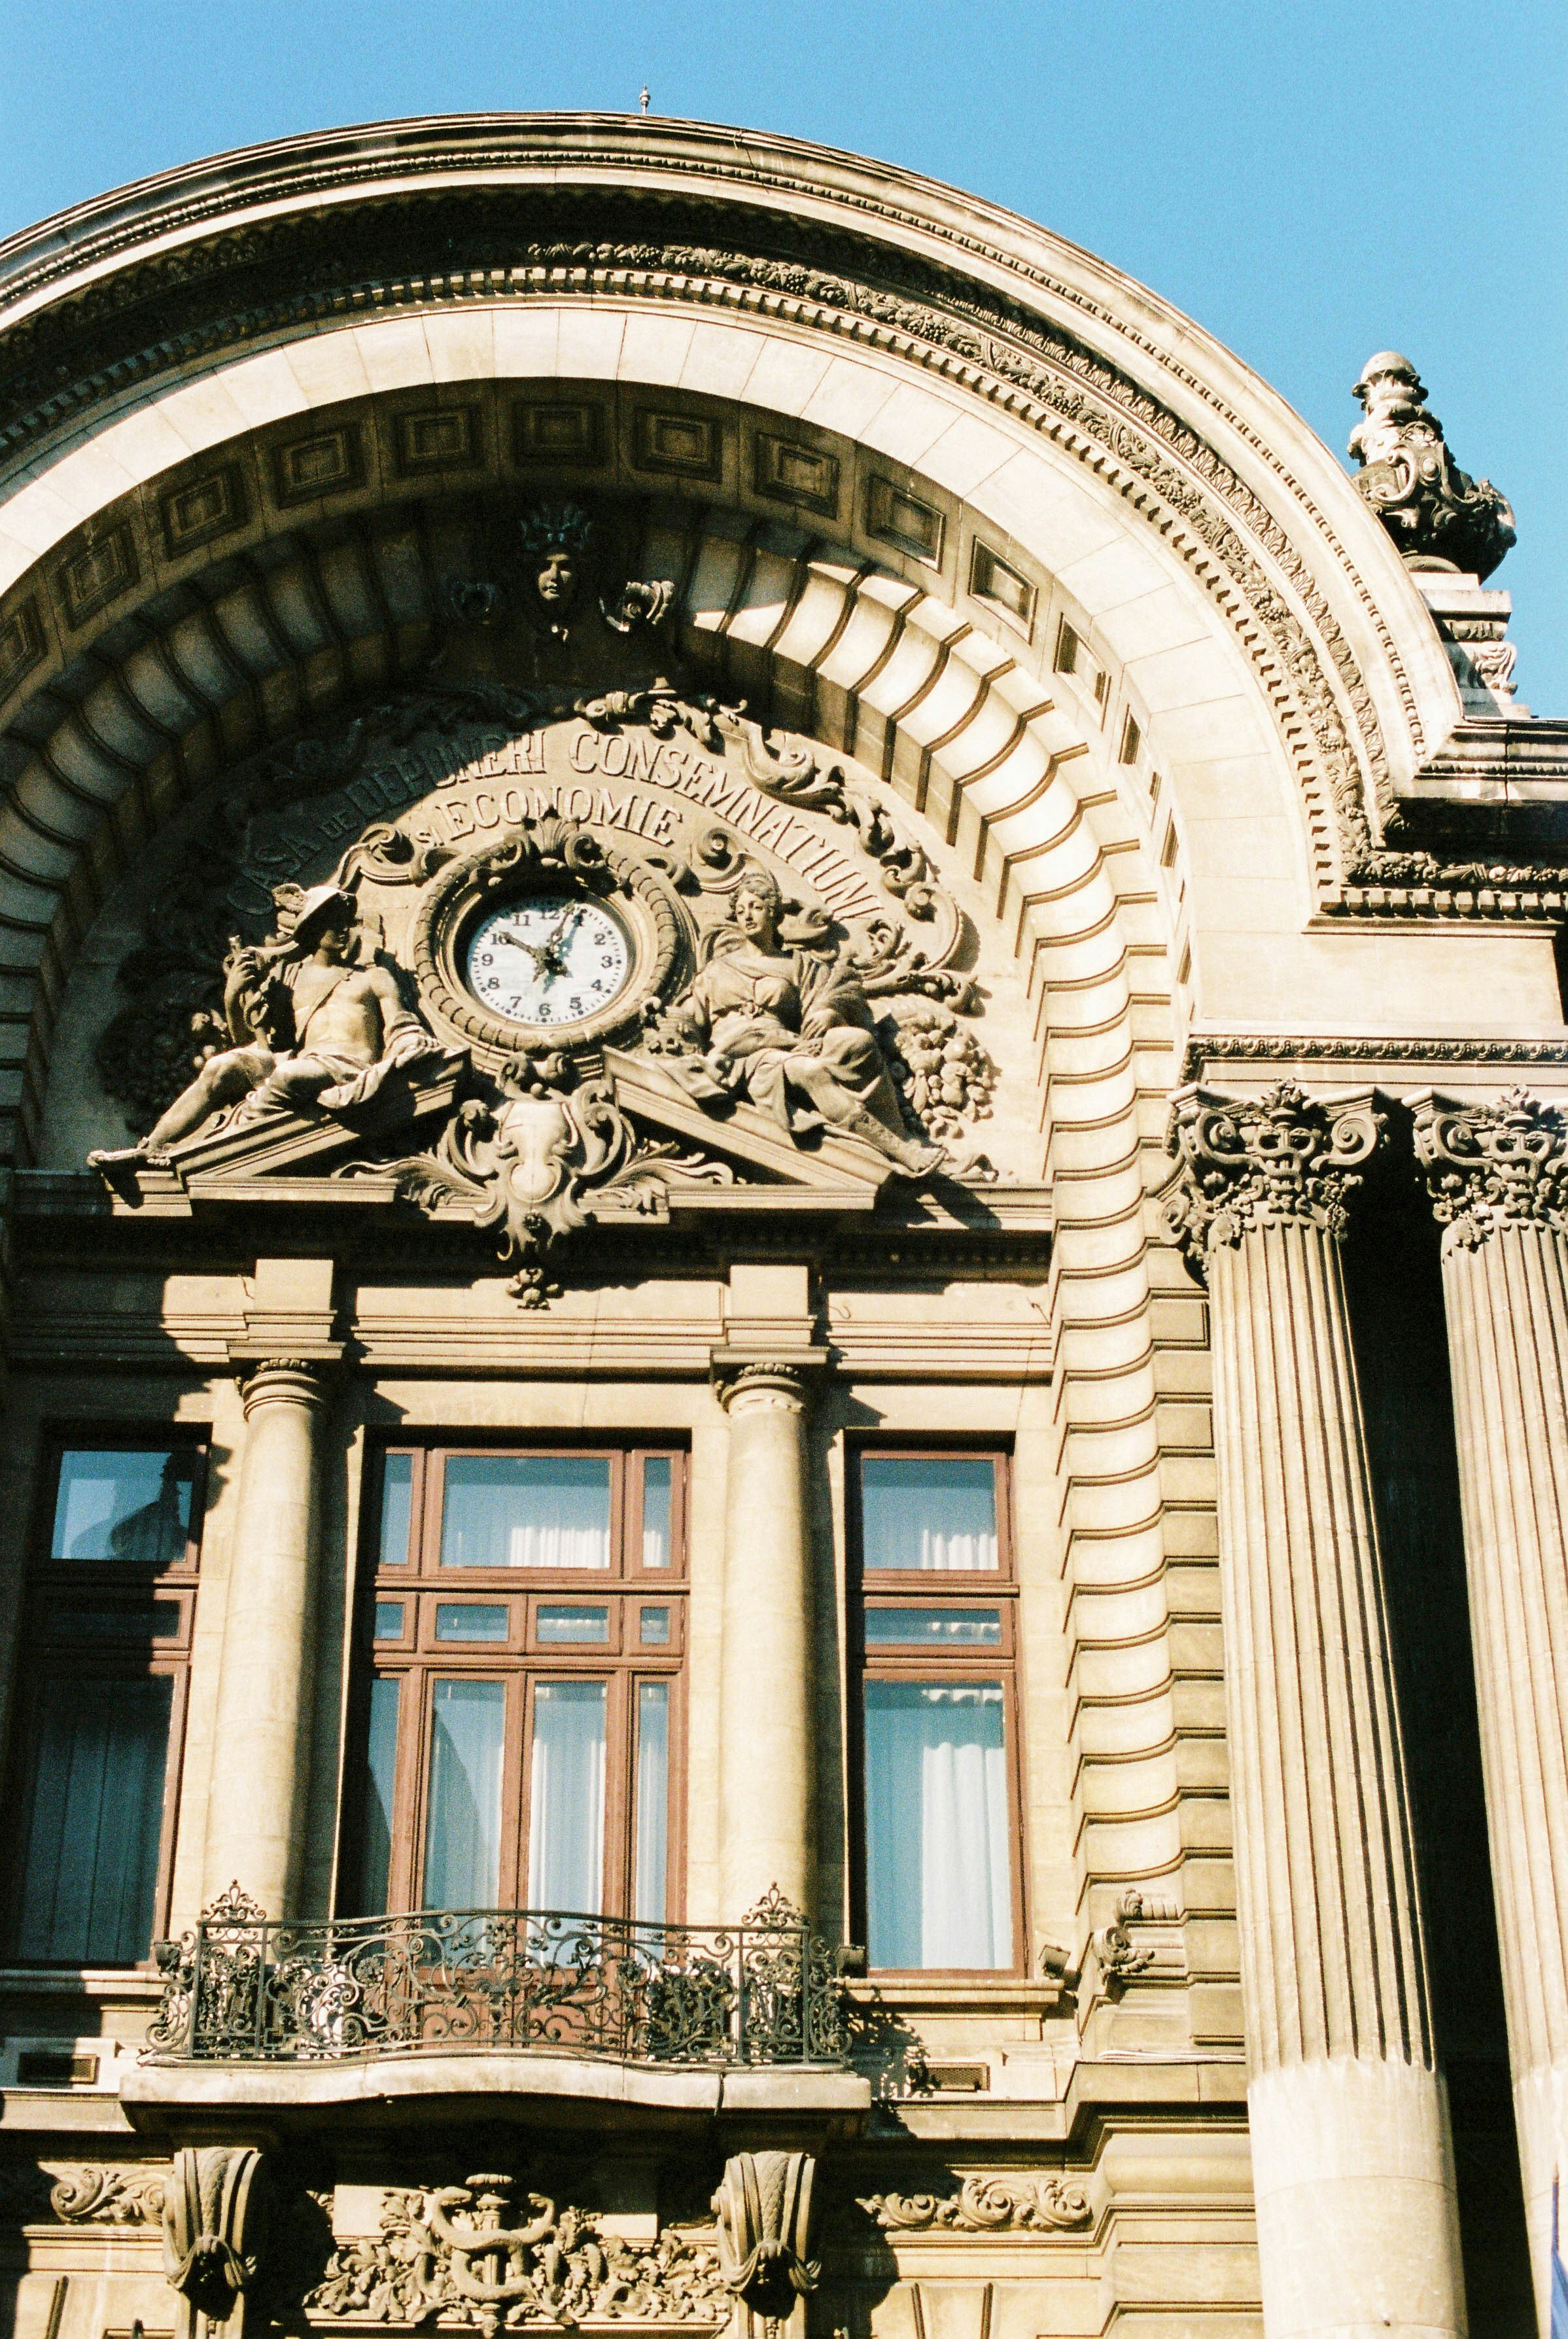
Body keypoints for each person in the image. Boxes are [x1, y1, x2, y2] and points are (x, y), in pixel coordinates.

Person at [103, 883, 438, 1162]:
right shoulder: (288, 981)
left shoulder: (374, 977)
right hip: (297, 1060)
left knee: (289, 1075)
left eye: (346, 924)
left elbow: (401, 1026)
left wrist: (410, 1046)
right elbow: (249, 1038)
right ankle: (150, 1148)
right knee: (222, 1066)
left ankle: (228, 1140)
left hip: (347, 1065)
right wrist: (235, 993)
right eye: (334, 923)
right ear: (313, 930)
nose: (344, 931)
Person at [668, 866, 942, 1178]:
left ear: (773, 914)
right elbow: (691, 1016)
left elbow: (839, 989)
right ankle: (898, 1150)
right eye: (741, 910)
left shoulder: (797, 963)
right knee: (808, 1070)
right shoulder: (717, 969)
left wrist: (828, 1011)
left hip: (785, 1042)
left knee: (858, 1042)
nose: (748, 916)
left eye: (756, 908)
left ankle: (900, 1131)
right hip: (740, 1054)